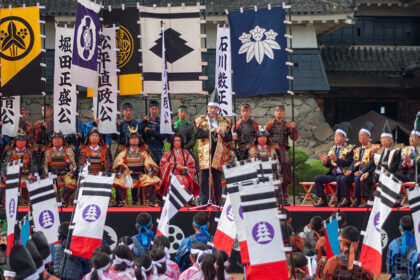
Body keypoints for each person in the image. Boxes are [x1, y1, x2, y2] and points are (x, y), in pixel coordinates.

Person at [195, 89, 232, 205]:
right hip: (205, 152)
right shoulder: (200, 120)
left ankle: (217, 201)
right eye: (211, 107)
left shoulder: (224, 121)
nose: (212, 110)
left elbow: (229, 138)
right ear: (207, 108)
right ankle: (203, 201)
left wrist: (222, 133)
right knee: (204, 177)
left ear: (218, 109)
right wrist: (211, 131)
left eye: (215, 108)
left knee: (217, 177)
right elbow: (197, 135)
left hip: (219, 152)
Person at [112, 127, 161, 207]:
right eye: (132, 138)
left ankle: (147, 200)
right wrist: (119, 171)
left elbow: (149, 162)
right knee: (117, 181)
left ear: (139, 140)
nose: (134, 140)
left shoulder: (143, 152)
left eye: (136, 138)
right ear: (128, 140)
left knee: (153, 180)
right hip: (127, 176)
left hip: (140, 176)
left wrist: (150, 170)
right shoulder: (124, 152)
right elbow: (118, 162)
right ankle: (122, 201)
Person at [359, 120, 401, 207]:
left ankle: (391, 201)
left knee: (385, 177)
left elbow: (396, 164)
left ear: (390, 140)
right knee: (365, 178)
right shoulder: (379, 150)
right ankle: (369, 201)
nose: (383, 141)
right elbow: (375, 164)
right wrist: (368, 172)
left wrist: (388, 171)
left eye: (385, 140)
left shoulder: (396, 149)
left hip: (391, 173)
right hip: (379, 173)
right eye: (382, 140)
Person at [337, 121, 376, 207]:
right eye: (360, 135)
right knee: (344, 178)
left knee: (357, 179)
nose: (361, 137)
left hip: (368, 173)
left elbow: (371, 163)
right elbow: (354, 162)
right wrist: (350, 170)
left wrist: (362, 172)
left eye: (364, 135)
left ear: (369, 137)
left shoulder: (373, 148)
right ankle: (347, 200)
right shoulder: (357, 149)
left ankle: (357, 200)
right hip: (357, 173)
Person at [314, 122, 354, 207]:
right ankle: (323, 200)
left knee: (340, 178)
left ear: (344, 137)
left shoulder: (349, 148)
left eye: (338, 135)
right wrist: (326, 162)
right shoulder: (333, 148)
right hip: (333, 174)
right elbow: (330, 164)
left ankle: (341, 200)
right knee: (317, 178)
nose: (336, 137)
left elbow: (349, 162)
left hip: (344, 174)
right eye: (335, 135)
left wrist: (337, 160)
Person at [266, 105, 298, 205]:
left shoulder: (288, 125)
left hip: (284, 151)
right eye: (277, 111)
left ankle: (285, 199)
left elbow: (294, 138)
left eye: (280, 111)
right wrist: (270, 146)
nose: (278, 113)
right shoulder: (269, 124)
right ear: (274, 113)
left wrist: (293, 128)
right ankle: (275, 198)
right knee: (274, 174)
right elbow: (264, 137)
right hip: (273, 152)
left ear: (284, 113)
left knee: (285, 175)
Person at [1, 130, 38, 205]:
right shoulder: (10, 152)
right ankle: (5, 203)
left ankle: (25, 202)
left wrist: (33, 174)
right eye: (19, 140)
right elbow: (4, 165)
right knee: (2, 185)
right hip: (12, 176)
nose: (21, 142)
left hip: (26, 175)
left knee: (30, 182)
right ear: (15, 141)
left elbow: (34, 165)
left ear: (26, 142)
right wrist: (3, 175)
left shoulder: (30, 152)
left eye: (23, 140)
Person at [42, 129, 77, 206]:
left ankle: (63, 198)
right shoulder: (48, 151)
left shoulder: (68, 150)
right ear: (52, 140)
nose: (57, 140)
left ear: (63, 140)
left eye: (59, 138)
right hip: (53, 175)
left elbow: (73, 165)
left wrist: (72, 172)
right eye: (55, 138)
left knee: (72, 183)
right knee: (50, 188)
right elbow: (45, 165)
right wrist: (47, 175)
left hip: (65, 174)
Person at [159, 133, 200, 198]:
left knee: (184, 180)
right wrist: (170, 166)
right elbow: (162, 164)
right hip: (171, 175)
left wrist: (185, 168)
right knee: (171, 180)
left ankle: (183, 199)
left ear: (181, 142)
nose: (177, 142)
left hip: (183, 175)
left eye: (179, 141)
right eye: (175, 141)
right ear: (173, 142)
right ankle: (171, 199)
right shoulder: (168, 153)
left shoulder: (186, 153)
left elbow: (192, 165)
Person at [386, 215, 416, 280]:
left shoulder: (393, 244)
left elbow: (389, 269)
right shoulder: (417, 244)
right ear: (413, 229)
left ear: (400, 228)